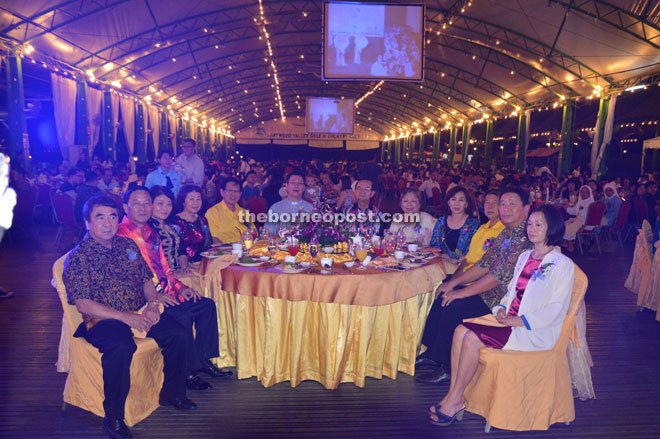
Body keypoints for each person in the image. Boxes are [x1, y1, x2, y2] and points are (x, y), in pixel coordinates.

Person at [427, 204, 574, 426]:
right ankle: (453, 396)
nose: (531, 229)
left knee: (471, 338)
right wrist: (502, 309)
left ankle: (455, 400)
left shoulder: (562, 264)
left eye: (538, 225)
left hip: (533, 330)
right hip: (509, 321)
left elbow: (556, 309)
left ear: (551, 227)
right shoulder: (526, 255)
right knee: (459, 330)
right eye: (530, 224)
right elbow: (511, 292)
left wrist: (520, 320)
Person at [64, 195, 195, 439]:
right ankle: (113, 417)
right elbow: (83, 303)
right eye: (99, 217)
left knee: (178, 332)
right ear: (87, 223)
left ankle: (172, 393)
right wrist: (127, 318)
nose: (107, 223)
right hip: (104, 319)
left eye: (112, 216)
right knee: (121, 347)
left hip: (139, 311)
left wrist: (153, 304)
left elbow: (146, 279)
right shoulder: (79, 257)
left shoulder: (127, 246)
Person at [117, 186, 231, 392]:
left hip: (163, 291)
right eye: (137, 204)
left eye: (146, 203)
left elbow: (165, 267)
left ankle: (204, 360)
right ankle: (188, 371)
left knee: (205, 306)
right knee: (183, 317)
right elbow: (127, 278)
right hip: (143, 299)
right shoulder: (120, 236)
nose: (143, 208)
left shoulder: (151, 233)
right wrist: (156, 295)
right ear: (126, 206)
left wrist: (180, 287)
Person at [415, 187, 532, 384]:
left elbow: (497, 277)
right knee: (444, 291)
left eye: (512, 204)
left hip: (504, 302)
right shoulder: (507, 233)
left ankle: (448, 367)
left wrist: (462, 293)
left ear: (526, 209)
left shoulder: (524, 237)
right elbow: (484, 264)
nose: (505, 209)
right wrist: (454, 283)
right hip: (490, 292)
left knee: (454, 304)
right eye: (503, 204)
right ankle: (433, 354)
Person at [454, 189, 505, 274]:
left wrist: (454, 283)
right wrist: (454, 278)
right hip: (464, 276)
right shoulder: (481, 229)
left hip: (477, 281)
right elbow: (468, 259)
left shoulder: (504, 232)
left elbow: (488, 270)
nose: (490, 206)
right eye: (487, 202)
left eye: (495, 202)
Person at [429, 186, 480, 261]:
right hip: (442, 263)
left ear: (466, 204)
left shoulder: (473, 224)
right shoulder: (441, 222)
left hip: (464, 267)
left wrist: (456, 260)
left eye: (461, 200)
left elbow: (475, 252)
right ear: (448, 202)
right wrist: (441, 256)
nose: (456, 203)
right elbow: (434, 246)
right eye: (453, 199)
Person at [170, 185, 212, 267]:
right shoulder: (175, 222)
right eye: (191, 199)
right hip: (183, 266)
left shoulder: (203, 221)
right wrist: (193, 266)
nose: (195, 203)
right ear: (183, 201)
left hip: (202, 264)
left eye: (198, 199)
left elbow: (208, 246)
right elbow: (175, 251)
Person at [206, 177, 255, 243]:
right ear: (222, 192)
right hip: (225, 251)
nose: (233, 194)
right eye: (230, 191)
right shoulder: (212, 213)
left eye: (236, 191)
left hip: (246, 250)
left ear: (240, 194)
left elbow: (253, 233)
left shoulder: (244, 213)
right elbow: (214, 239)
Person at [265, 170, 314, 235]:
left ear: (304, 188)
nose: (296, 186)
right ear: (287, 186)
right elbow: (268, 233)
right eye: (293, 183)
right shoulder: (275, 208)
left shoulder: (311, 209)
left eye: (299, 183)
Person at [148, 185, 184, 273]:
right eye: (160, 203)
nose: (165, 208)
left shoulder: (171, 227)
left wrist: (183, 268)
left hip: (178, 273)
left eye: (169, 204)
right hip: (161, 278)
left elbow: (181, 250)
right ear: (150, 204)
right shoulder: (147, 228)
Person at [563, 185, 594, 252]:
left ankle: (571, 246)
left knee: (568, 227)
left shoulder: (590, 203)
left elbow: (580, 213)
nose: (583, 194)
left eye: (586, 192)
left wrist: (567, 208)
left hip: (585, 222)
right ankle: (566, 242)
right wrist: (567, 208)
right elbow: (574, 211)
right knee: (564, 224)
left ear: (589, 193)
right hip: (580, 220)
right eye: (582, 192)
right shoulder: (581, 201)